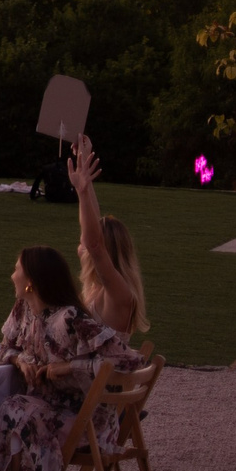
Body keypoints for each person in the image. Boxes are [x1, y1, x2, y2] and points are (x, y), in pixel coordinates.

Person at [0, 246, 141, 471]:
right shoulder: (22, 311)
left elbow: (128, 361)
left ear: (31, 282)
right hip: (40, 413)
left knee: (16, 413)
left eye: (16, 268)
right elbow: (3, 351)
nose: (11, 274)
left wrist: (68, 368)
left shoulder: (69, 319)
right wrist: (23, 360)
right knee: (17, 414)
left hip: (82, 418)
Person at [67, 134, 147, 338]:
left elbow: (94, 244)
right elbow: (93, 227)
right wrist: (83, 162)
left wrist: (83, 192)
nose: (80, 245)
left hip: (101, 370)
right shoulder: (99, 286)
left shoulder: (118, 292)